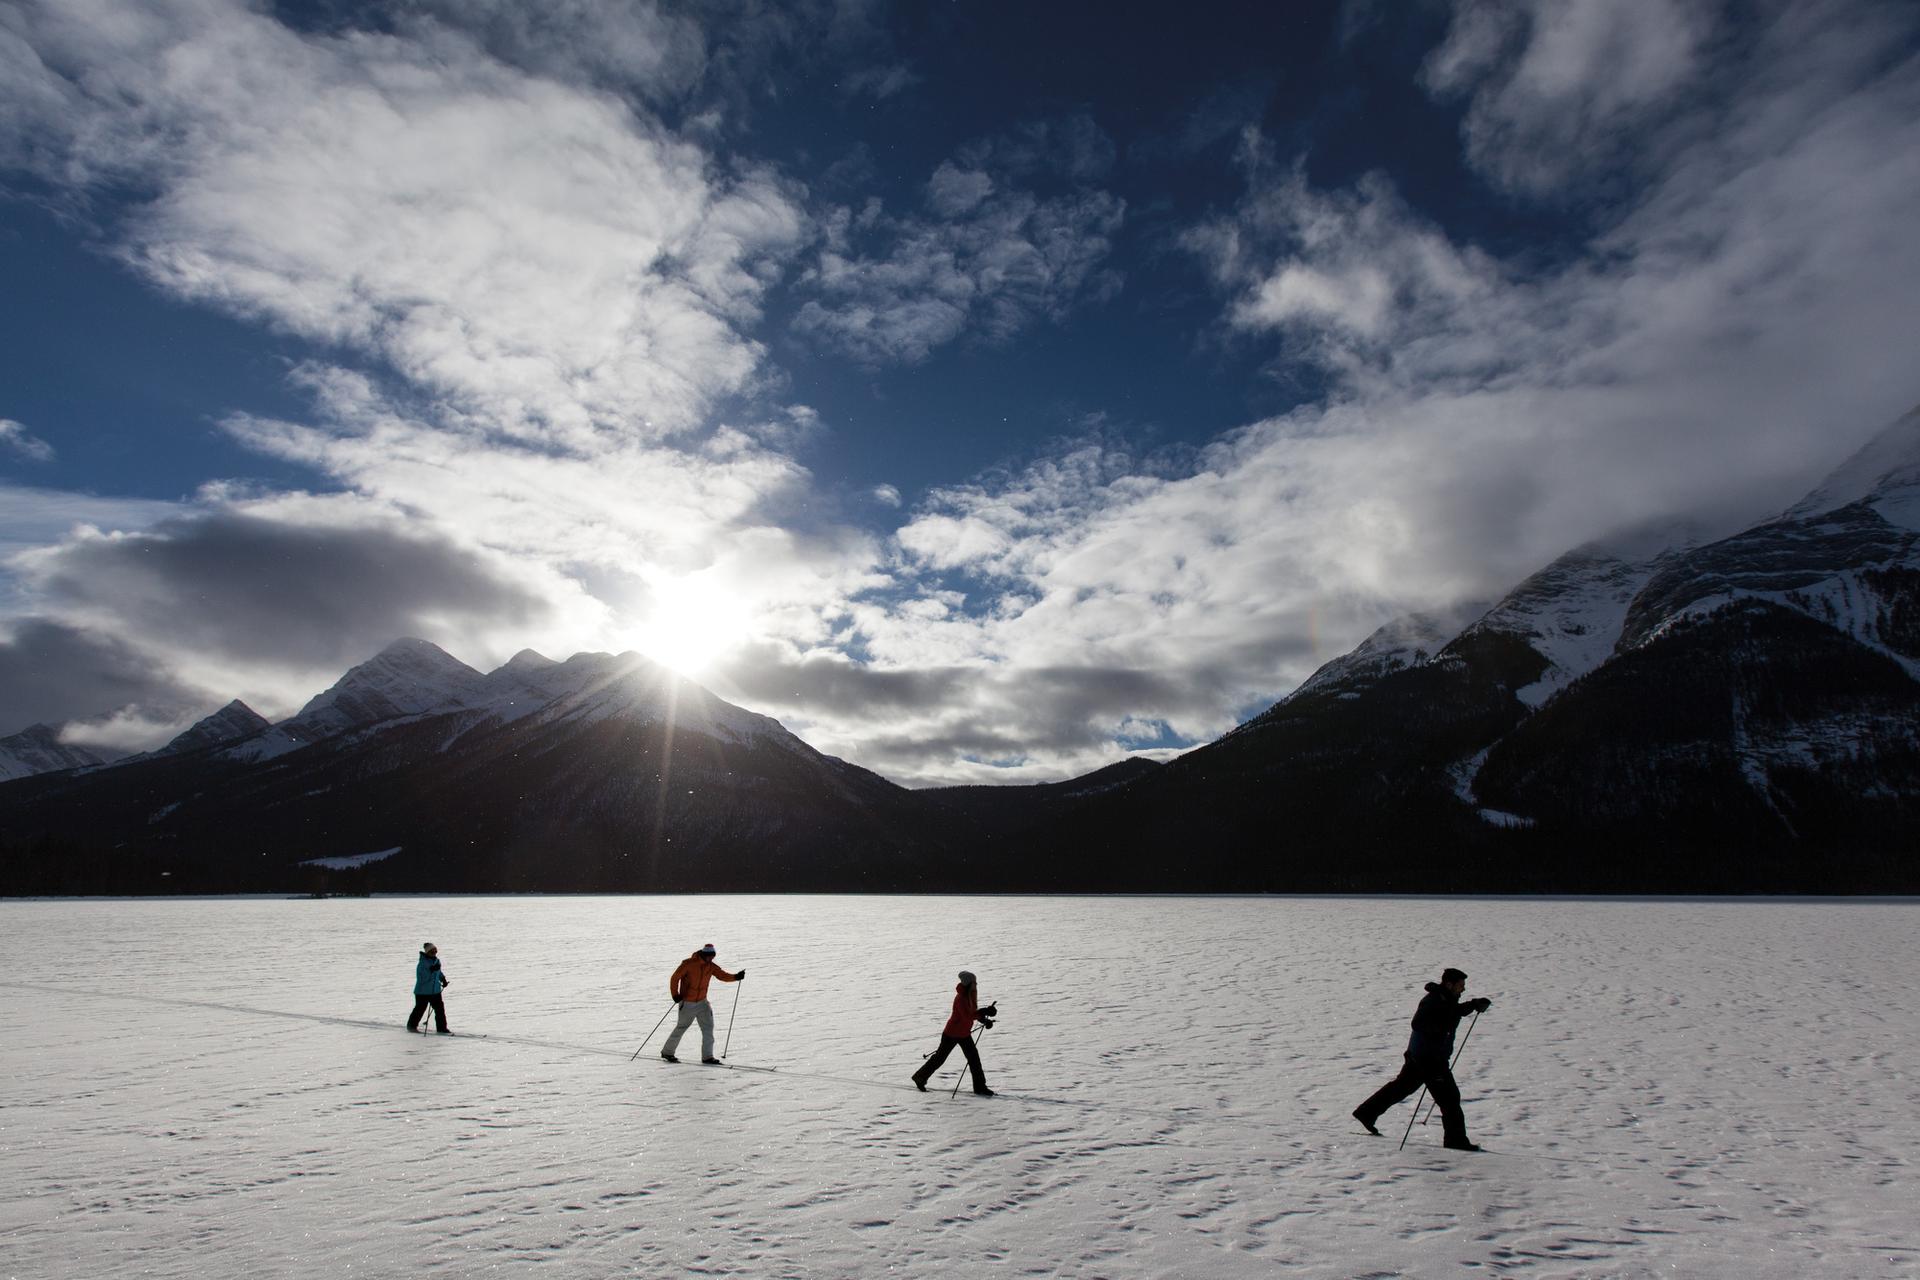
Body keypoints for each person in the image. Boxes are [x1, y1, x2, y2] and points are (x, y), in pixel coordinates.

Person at [1352, 967, 1491, 1150]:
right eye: (1460, 985)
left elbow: (1453, 1011)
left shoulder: (1445, 999)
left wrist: (1474, 1004)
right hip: (1429, 1059)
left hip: (1420, 1056)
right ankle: (1455, 1141)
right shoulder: (1433, 1000)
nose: (1462, 989)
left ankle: (1366, 1113)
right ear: (1449, 984)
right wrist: (1440, 1029)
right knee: (1450, 1100)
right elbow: (1418, 1023)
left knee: (1401, 1088)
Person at [910, 970, 997, 1096]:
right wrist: (984, 1012)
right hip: (951, 1034)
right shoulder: (961, 998)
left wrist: (984, 1020)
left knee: (974, 1059)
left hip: (964, 1034)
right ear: (969, 983)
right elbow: (967, 1016)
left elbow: (972, 1013)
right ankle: (920, 1077)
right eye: (974, 982)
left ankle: (980, 1087)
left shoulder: (970, 995)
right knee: (940, 1059)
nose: (976, 984)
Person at [661, 943, 744, 1064]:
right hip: (687, 1003)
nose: (711, 958)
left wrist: (736, 977)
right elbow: (675, 978)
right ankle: (667, 1052)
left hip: (702, 1003)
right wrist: (675, 994)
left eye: (713, 956)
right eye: (709, 956)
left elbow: (722, 975)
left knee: (708, 1028)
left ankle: (707, 1057)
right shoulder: (688, 964)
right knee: (681, 1027)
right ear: (704, 954)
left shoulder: (711, 966)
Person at [407, 942, 452, 1034]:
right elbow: (422, 979)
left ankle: (442, 1028)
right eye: (432, 951)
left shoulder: (436, 961)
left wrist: (443, 979)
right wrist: (431, 971)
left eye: (435, 950)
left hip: (435, 991)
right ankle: (411, 1026)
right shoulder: (422, 964)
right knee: (420, 1009)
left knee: (440, 1009)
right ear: (427, 952)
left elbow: (438, 972)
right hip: (422, 992)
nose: (435, 952)